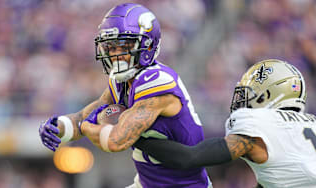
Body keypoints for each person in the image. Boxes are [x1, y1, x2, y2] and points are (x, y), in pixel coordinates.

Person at [38, 3, 212, 188]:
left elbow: (115, 141)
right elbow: (84, 116)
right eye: (111, 47)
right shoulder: (122, 81)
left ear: (147, 44)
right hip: (146, 183)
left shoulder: (157, 83)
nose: (116, 54)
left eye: (124, 46)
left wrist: (88, 125)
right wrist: (58, 126)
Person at [134, 59, 316, 188]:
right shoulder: (306, 126)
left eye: (250, 93)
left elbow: (189, 158)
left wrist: (136, 137)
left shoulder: (261, 125)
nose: (243, 101)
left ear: (267, 96)